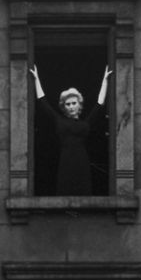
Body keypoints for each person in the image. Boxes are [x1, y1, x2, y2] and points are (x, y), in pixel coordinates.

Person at [30, 64, 109, 195]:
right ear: (64, 107)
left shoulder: (86, 122)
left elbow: (100, 104)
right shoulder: (59, 120)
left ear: (79, 105)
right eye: (68, 104)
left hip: (82, 159)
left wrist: (105, 80)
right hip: (65, 159)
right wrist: (36, 78)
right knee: (65, 186)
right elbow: (43, 102)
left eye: (74, 103)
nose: (71, 107)